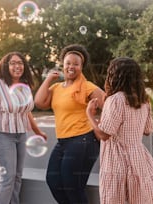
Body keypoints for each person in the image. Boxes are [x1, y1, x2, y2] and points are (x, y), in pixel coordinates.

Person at [86, 57, 153, 204]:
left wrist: (90, 115)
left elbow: (103, 135)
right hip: (138, 158)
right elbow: (148, 130)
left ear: (115, 76)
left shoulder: (115, 100)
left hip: (116, 161)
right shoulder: (143, 100)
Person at [34, 44, 105, 204]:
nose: (71, 67)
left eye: (75, 64)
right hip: (63, 141)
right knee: (53, 181)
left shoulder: (87, 87)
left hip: (84, 140)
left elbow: (109, 105)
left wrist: (96, 121)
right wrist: (48, 79)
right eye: (68, 63)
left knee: (72, 186)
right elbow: (39, 102)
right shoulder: (56, 87)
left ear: (81, 67)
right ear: (62, 65)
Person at [0, 51, 47, 204]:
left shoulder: (25, 85)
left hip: (21, 135)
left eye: (20, 63)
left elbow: (26, 112)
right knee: (7, 177)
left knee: (17, 177)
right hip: (0, 135)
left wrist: (38, 131)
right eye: (13, 63)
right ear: (5, 66)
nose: (18, 66)